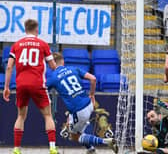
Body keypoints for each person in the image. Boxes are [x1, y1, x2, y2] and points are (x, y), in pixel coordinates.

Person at [3, 19, 58, 154]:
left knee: (21, 116)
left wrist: (6, 87)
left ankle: (16, 149)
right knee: (47, 115)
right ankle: (52, 147)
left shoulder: (16, 45)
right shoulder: (43, 44)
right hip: (37, 83)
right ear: (37, 29)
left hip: (21, 84)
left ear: (25, 29)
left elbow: (9, 66)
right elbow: (53, 67)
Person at [47, 52, 118, 154]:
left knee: (75, 135)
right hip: (88, 104)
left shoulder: (53, 77)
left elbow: (42, 89)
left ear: (51, 64)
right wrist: (92, 95)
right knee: (74, 126)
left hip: (78, 110)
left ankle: (106, 141)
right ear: (63, 61)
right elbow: (93, 79)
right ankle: (90, 149)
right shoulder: (73, 69)